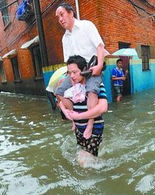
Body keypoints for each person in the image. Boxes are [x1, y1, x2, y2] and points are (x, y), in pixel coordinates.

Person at [55, 2, 107, 139]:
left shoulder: (86, 25)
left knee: (91, 92)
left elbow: (100, 46)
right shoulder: (64, 38)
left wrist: (99, 66)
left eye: (62, 14)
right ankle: (74, 120)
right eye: (58, 17)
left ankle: (90, 123)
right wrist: (66, 76)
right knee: (59, 92)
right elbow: (68, 62)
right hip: (74, 71)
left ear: (71, 13)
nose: (60, 19)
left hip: (90, 69)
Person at [58, 55, 108, 167]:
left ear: (84, 69)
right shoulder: (71, 88)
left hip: (95, 129)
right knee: (88, 156)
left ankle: (105, 168)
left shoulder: (96, 86)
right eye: (69, 73)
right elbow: (61, 102)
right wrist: (69, 116)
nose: (72, 76)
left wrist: (78, 117)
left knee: (83, 160)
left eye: (75, 72)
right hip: (79, 130)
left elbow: (103, 108)